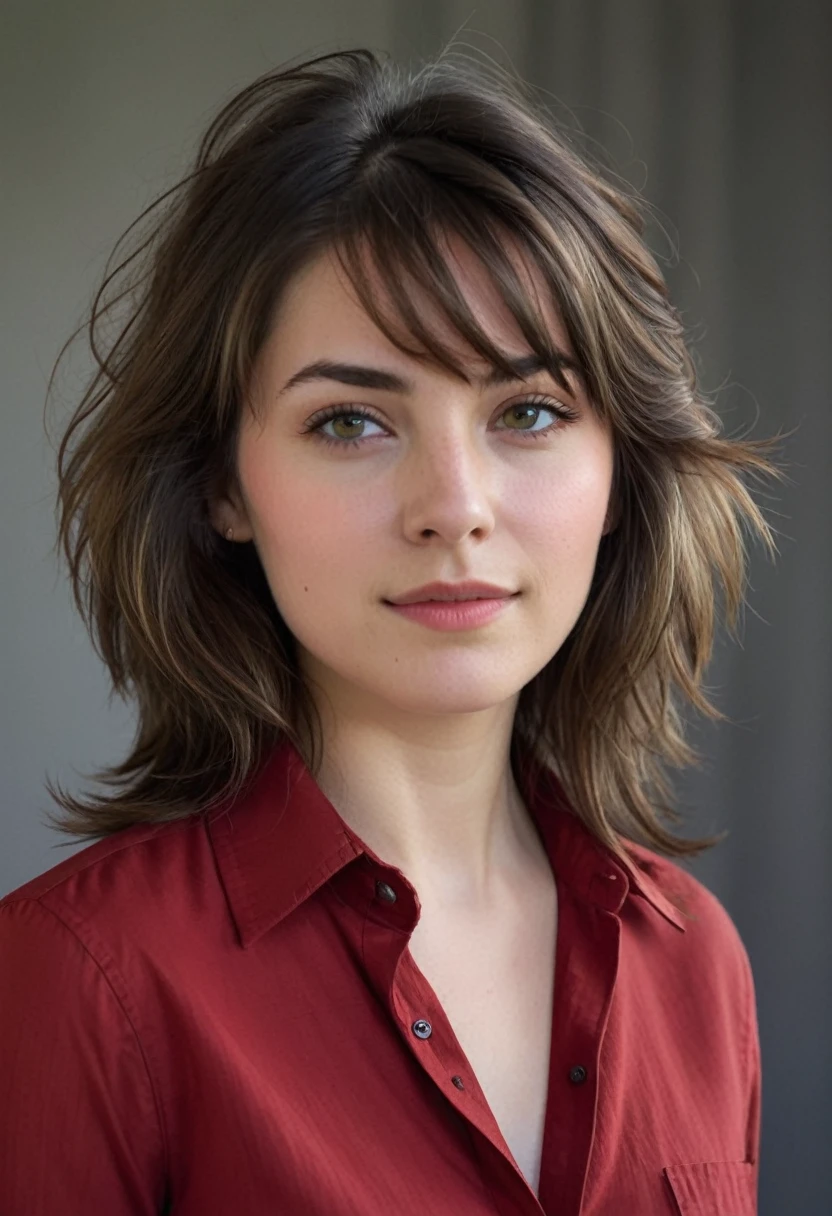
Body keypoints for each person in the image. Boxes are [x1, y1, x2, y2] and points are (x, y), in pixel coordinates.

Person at [0, 46, 784, 1215]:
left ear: (620, 466)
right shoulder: (80, 979)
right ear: (224, 483)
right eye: (351, 422)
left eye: (527, 410)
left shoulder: (695, 962)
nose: (454, 508)